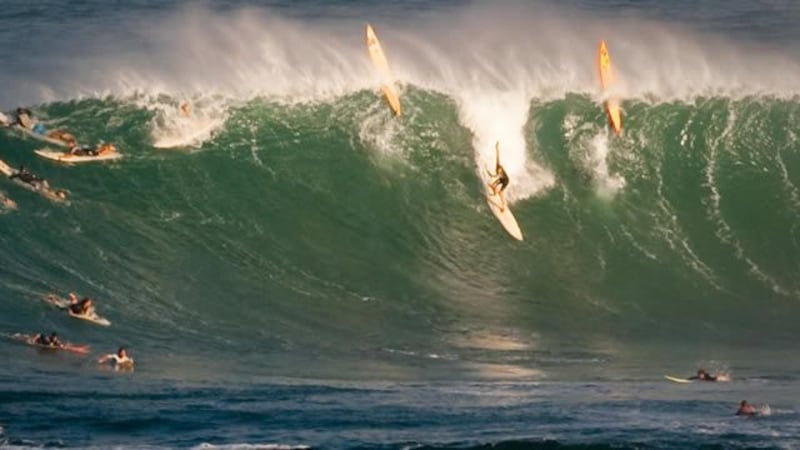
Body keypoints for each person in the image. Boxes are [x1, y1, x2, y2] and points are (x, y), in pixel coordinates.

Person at [486, 141, 510, 211]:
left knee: (500, 192)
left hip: (505, 181)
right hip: (502, 179)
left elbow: (493, 176)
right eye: (499, 170)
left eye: (500, 170)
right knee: (493, 185)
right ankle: (494, 193)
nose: (499, 171)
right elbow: (497, 156)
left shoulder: (500, 173)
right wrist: (496, 148)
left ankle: (503, 206)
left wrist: (487, 170)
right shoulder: (498, 165)